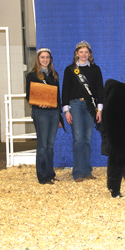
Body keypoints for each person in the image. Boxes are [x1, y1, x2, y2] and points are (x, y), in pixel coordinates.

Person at [62, 41, 103, 182]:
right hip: (75, 105)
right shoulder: (70, 70)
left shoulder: (95, 69)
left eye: (86, 52)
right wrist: (66, 110)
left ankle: (87, 170)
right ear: (76, 53)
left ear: (89, 54)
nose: (84, 54)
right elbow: (65, 90)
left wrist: (100, 109)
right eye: (81, 52)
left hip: (91, 107)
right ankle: (78, 172)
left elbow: (100, 91)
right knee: (78, 139)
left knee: (87, 139)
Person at [26, 47, 65, 185]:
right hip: (40, 112)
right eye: (42, 57)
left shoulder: (54, 75)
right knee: (42, 145)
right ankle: (42, 176)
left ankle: (50, 173)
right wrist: (38, 103)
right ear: (38, 59)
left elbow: (57, 97)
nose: (45, 60)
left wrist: (60, 116)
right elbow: (29, 95)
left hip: (54, 113)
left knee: (50, 145)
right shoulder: (32, 75)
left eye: (47, 57)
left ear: (50, 59)